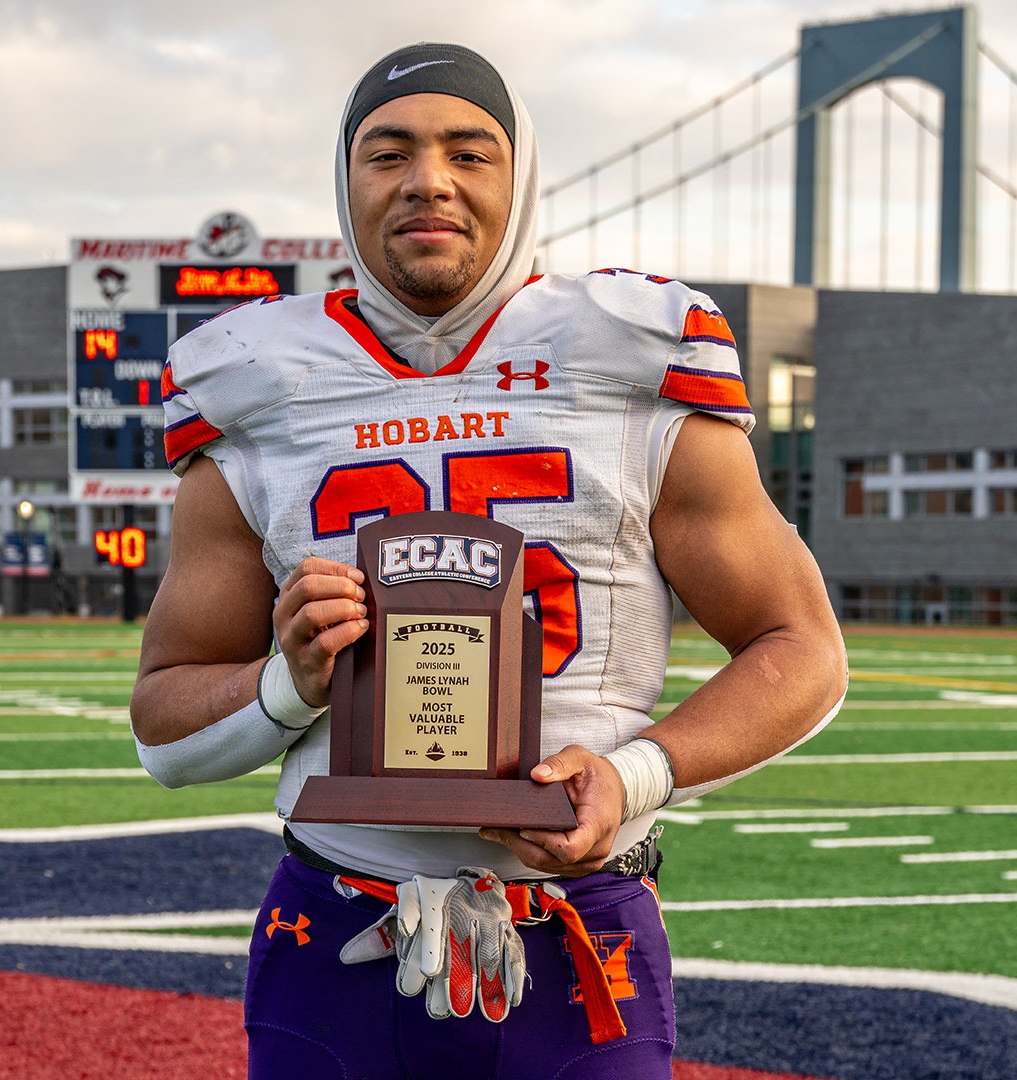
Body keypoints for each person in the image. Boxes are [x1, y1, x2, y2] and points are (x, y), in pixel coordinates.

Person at [130, 43, 848, 1078]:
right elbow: (164, 723)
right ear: (346, 182)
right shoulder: (253, 380)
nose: (429, 178)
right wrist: (289, 685)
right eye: (389, 154)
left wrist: (633, 774)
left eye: (470, 151)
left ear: (524, 180)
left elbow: (802, 649)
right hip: (335, 927)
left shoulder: (633, 350)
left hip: (576, 927)